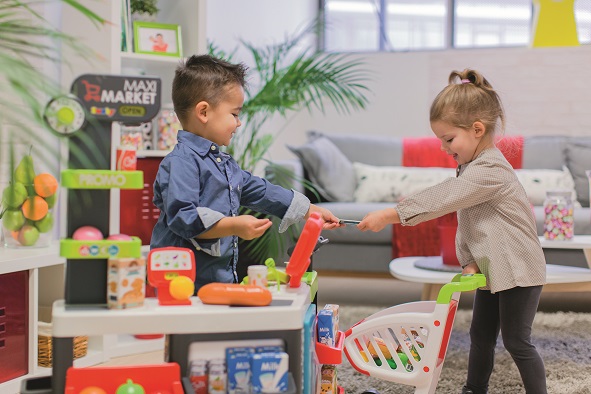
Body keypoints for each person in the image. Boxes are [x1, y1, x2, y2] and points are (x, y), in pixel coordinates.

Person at [357, 69, 547, 394]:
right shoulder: (470, 168)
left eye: (448, 140)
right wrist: (469, 261)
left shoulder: (491, 169)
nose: (445, 148)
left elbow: (444, 198)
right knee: (481, 335)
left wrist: (393, 214)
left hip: (520, 270)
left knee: (517, 341)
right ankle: (474, 389)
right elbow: (473, 223)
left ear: (477, 129)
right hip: (492, 270)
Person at [150, 54, 342, 292]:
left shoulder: (221, 162)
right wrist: (232, 226)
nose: (238, 123)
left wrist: (309, 210)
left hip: (218, 278)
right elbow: (184, 217)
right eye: (234, 114)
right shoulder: (181, 163)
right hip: (184, 283)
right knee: (192, 328)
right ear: (204, 112)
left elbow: (259, 190)